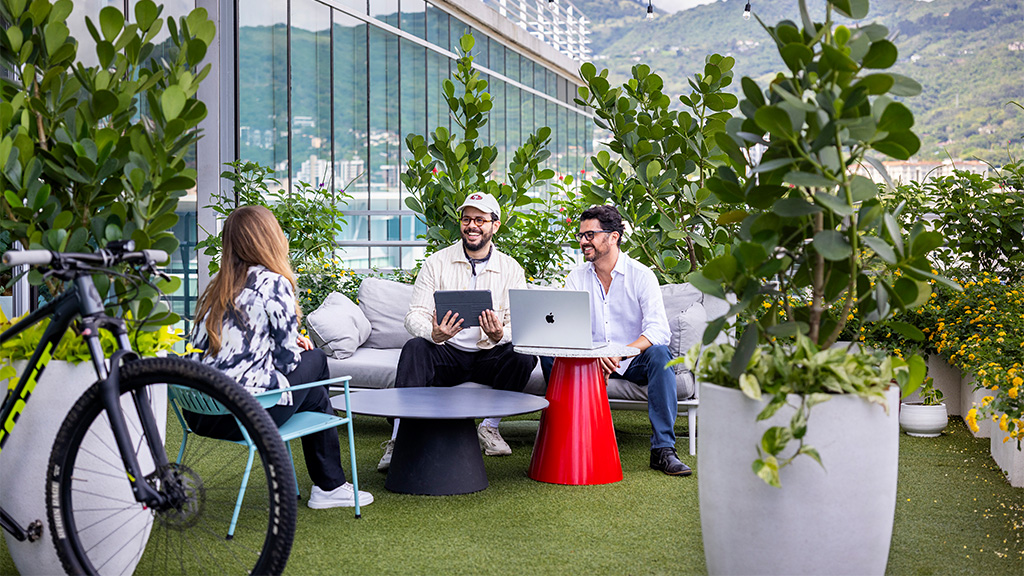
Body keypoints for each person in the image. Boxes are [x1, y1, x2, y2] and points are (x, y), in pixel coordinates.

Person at [188, 205, 373, 508]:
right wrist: (295, 347)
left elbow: (229, 349)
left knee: (313, 393)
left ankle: (331, 484)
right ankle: (330, 486)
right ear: (269, 239)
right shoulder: (273, 283)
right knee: (316, 361)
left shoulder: (216, 286)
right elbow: (288, 362)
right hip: (248, 415)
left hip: (201, 414)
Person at [378, 192, 537, 471]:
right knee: (415, 348)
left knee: (523, 355)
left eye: (479, 219)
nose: (472, 225)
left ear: (494, 225)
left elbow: (521, 324)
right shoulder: (436, 262)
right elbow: (414, 314)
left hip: (488, 355)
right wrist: (433, 333)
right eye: (466, 219)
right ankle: (399, 438)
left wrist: (501, 335)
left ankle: (489, 427)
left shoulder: (511, 269)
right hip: (446, 353)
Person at [543, 204, 691, 476]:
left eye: (590, 235)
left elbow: (659, 330)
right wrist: (594, 355)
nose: (583, 242)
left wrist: (620, 353)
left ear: (614, 237)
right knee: (548, 353)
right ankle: (570, 435)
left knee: (660, 355)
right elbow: (569, 329)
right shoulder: (576, 278)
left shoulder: (641, 275)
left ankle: (663, 450)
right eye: (581, 235)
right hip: (590, 360)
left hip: (632, 361)